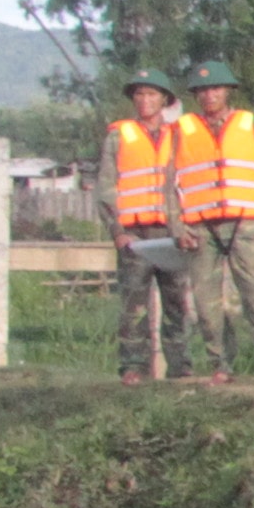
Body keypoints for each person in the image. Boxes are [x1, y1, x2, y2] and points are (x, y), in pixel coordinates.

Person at [172, 61, 254, 388]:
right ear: (196, 95)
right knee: (206, 304)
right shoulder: (182, 130)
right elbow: (171, 183)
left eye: (216, 88)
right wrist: (177, 226)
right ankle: (220, 364)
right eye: (203, 90)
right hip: (200, 228)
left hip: (245, 222)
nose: (210, 95)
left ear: (229, 91)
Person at [102, 67, 185, 383]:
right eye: (139, 94)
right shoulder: (118, 136)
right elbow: (107, 186)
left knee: (177, 304)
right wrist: (118, 230)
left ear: (164, 99)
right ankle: (132, 367)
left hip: (172, 232)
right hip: (134, 234)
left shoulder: (178, 136)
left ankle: (180, 367)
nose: (145, 100)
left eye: (151, 94)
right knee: (133, 306)